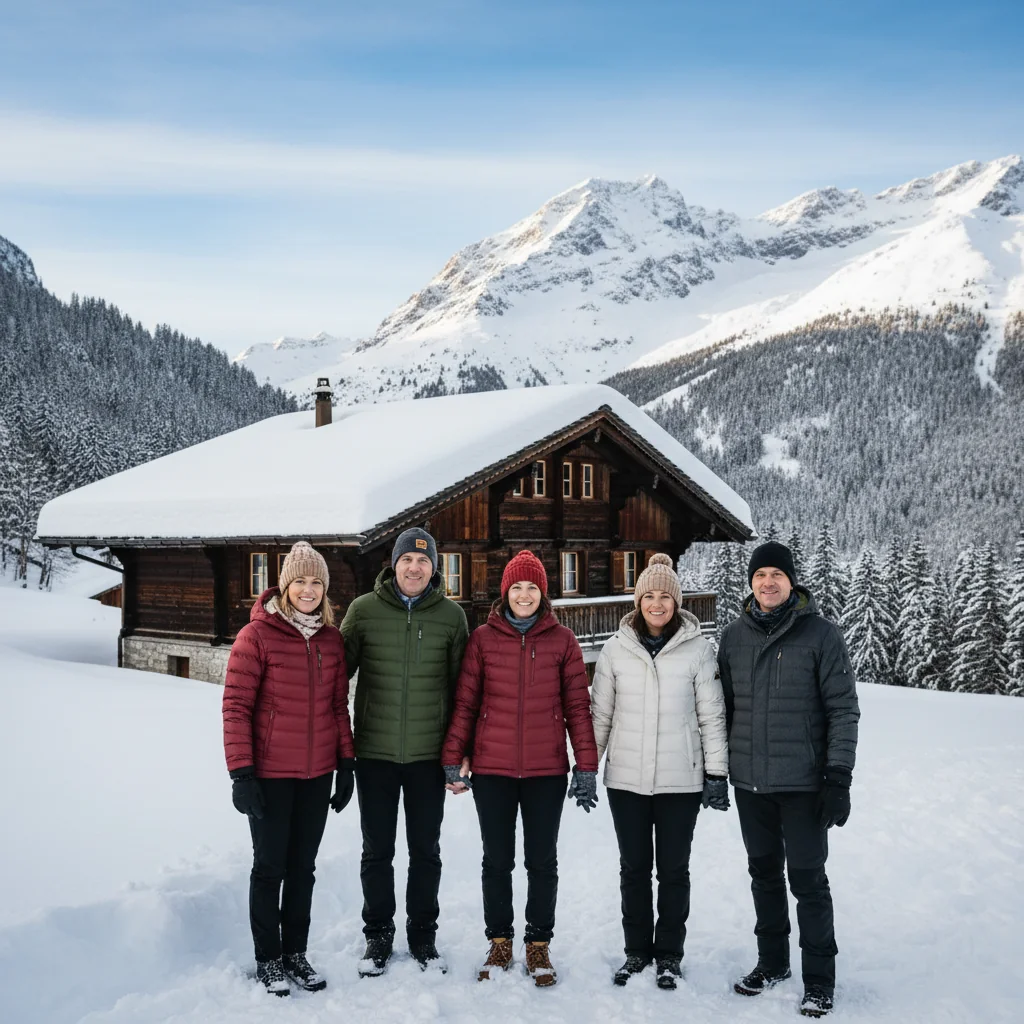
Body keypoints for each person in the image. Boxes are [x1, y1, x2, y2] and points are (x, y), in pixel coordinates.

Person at [441, 549, 598, 987]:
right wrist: (453, 758)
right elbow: (466, 703)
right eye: (517, 587)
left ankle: (538, 943)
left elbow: (578, 708)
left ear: (543, 593)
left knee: (542, 860)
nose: (524, 594)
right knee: (497, 860)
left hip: (547, 771)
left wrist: (586, 766)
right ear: (504, 592)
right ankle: (500, 940)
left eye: (532, 587)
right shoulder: (483, 640)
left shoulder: (562, 641)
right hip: (492, 769)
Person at [718, 541, 860, 1019]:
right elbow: (726, 711)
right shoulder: (734, 637)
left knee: (808, 881)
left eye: (777, 574)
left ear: (792, 581)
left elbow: (843, 709)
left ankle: (819, 980)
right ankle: (773, 963)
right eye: (761, 576)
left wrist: (838, 776)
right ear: (751, 582)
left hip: (803, 784)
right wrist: (719, 769)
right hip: (751, 784)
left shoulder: (822, 635)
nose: (768, 583)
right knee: (763, 876)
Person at [222, 541, 355, 997]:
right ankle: (268, 958)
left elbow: (339, 706)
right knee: (270, 867)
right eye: (300, 581)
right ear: (283, 586)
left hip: (316, 775)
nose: (308, 589)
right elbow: (236, 707)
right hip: (271, 774)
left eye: (316, 582)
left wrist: (346, 764)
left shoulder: (331, 640)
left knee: (303, 868)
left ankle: (295, 952)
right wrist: (242, 773)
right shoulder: (255, 637)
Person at [590, 553, 729, 990]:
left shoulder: (698, 648)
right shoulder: (616, 648)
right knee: (633, 869)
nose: (656, 604)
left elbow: (711, 713)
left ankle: (669, 954)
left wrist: (716, 773)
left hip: (680, 780)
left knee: (673, 870)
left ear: (676, 602)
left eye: (664, 597)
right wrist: (585, 767)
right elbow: (601, 714)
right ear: (637, 601)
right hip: (626, 780)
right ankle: (636, 952)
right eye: (648, 595)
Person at [340, 527, 469, 976]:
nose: (415, 568)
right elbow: (334, 680)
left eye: (424, 561)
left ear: (434, 568)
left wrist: (459, 754)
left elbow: (462, 694)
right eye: (407, 560)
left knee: (425, 850)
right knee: (376, 851)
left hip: (427, 758)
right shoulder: (363, 611)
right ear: (393, 564)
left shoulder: (451, 618)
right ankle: (377, 935)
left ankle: (422, 935)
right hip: (373, 753)